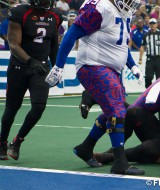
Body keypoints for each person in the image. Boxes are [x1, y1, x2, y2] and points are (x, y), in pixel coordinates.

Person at [45, 0, 144, 175]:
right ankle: (120, 162)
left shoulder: (124, 13)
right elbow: (72, 34)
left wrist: (132, 65)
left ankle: (86, 147)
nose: (130, 4)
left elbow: (121, 44)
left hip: (110, 68)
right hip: (93, 64)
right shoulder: (102, 8)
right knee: (117, 110)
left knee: (114, 109)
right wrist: (58, 65)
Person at [0, 0, 62, 161]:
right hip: (19, 67)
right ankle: (2, 142)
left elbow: (53, 44)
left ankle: (17, 141)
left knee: (39, 106)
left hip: (41, 68)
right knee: (12, 109)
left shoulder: (55, 15)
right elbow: (13, 44)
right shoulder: (20, 12)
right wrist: (30, 61)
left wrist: (57, 67)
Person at [138, 18, 160, 88]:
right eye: (151, 24)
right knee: (148, 77)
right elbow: (142, 47)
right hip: (150, 58)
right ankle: (148, 91)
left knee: (159, 78)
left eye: (154, 24)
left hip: (158, 58)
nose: (153, 25)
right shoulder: (146, 35)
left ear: (156, 24)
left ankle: (158, 92)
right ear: (149, 25)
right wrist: (140, 58)